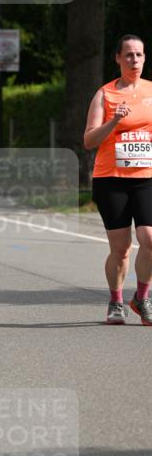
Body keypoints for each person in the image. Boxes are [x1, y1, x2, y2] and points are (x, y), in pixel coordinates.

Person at [83, 34, 152, 325]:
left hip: (146, 177)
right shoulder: (105, 94)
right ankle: (115, 301)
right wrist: (114, 121)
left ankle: (142, 298)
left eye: (139, 55)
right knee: (120, 249)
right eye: (128, 55)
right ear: (118, 59)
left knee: (150, 239)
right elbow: (89, 140)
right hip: (111, 178)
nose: (134, 60)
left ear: (144, 58)